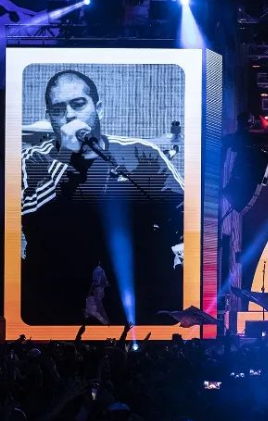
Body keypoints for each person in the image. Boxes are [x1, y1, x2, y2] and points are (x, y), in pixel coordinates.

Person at [21, 69, 185, 325]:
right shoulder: (34, 158)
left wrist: (181, 245)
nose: (70, 115)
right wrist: (65, 155)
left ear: (99, 108)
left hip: (139, 299)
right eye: (58, 109)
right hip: (59, 303)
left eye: (78, 104)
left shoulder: (141, 154)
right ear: (49, 117)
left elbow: (184, 210)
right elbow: (30, 212)